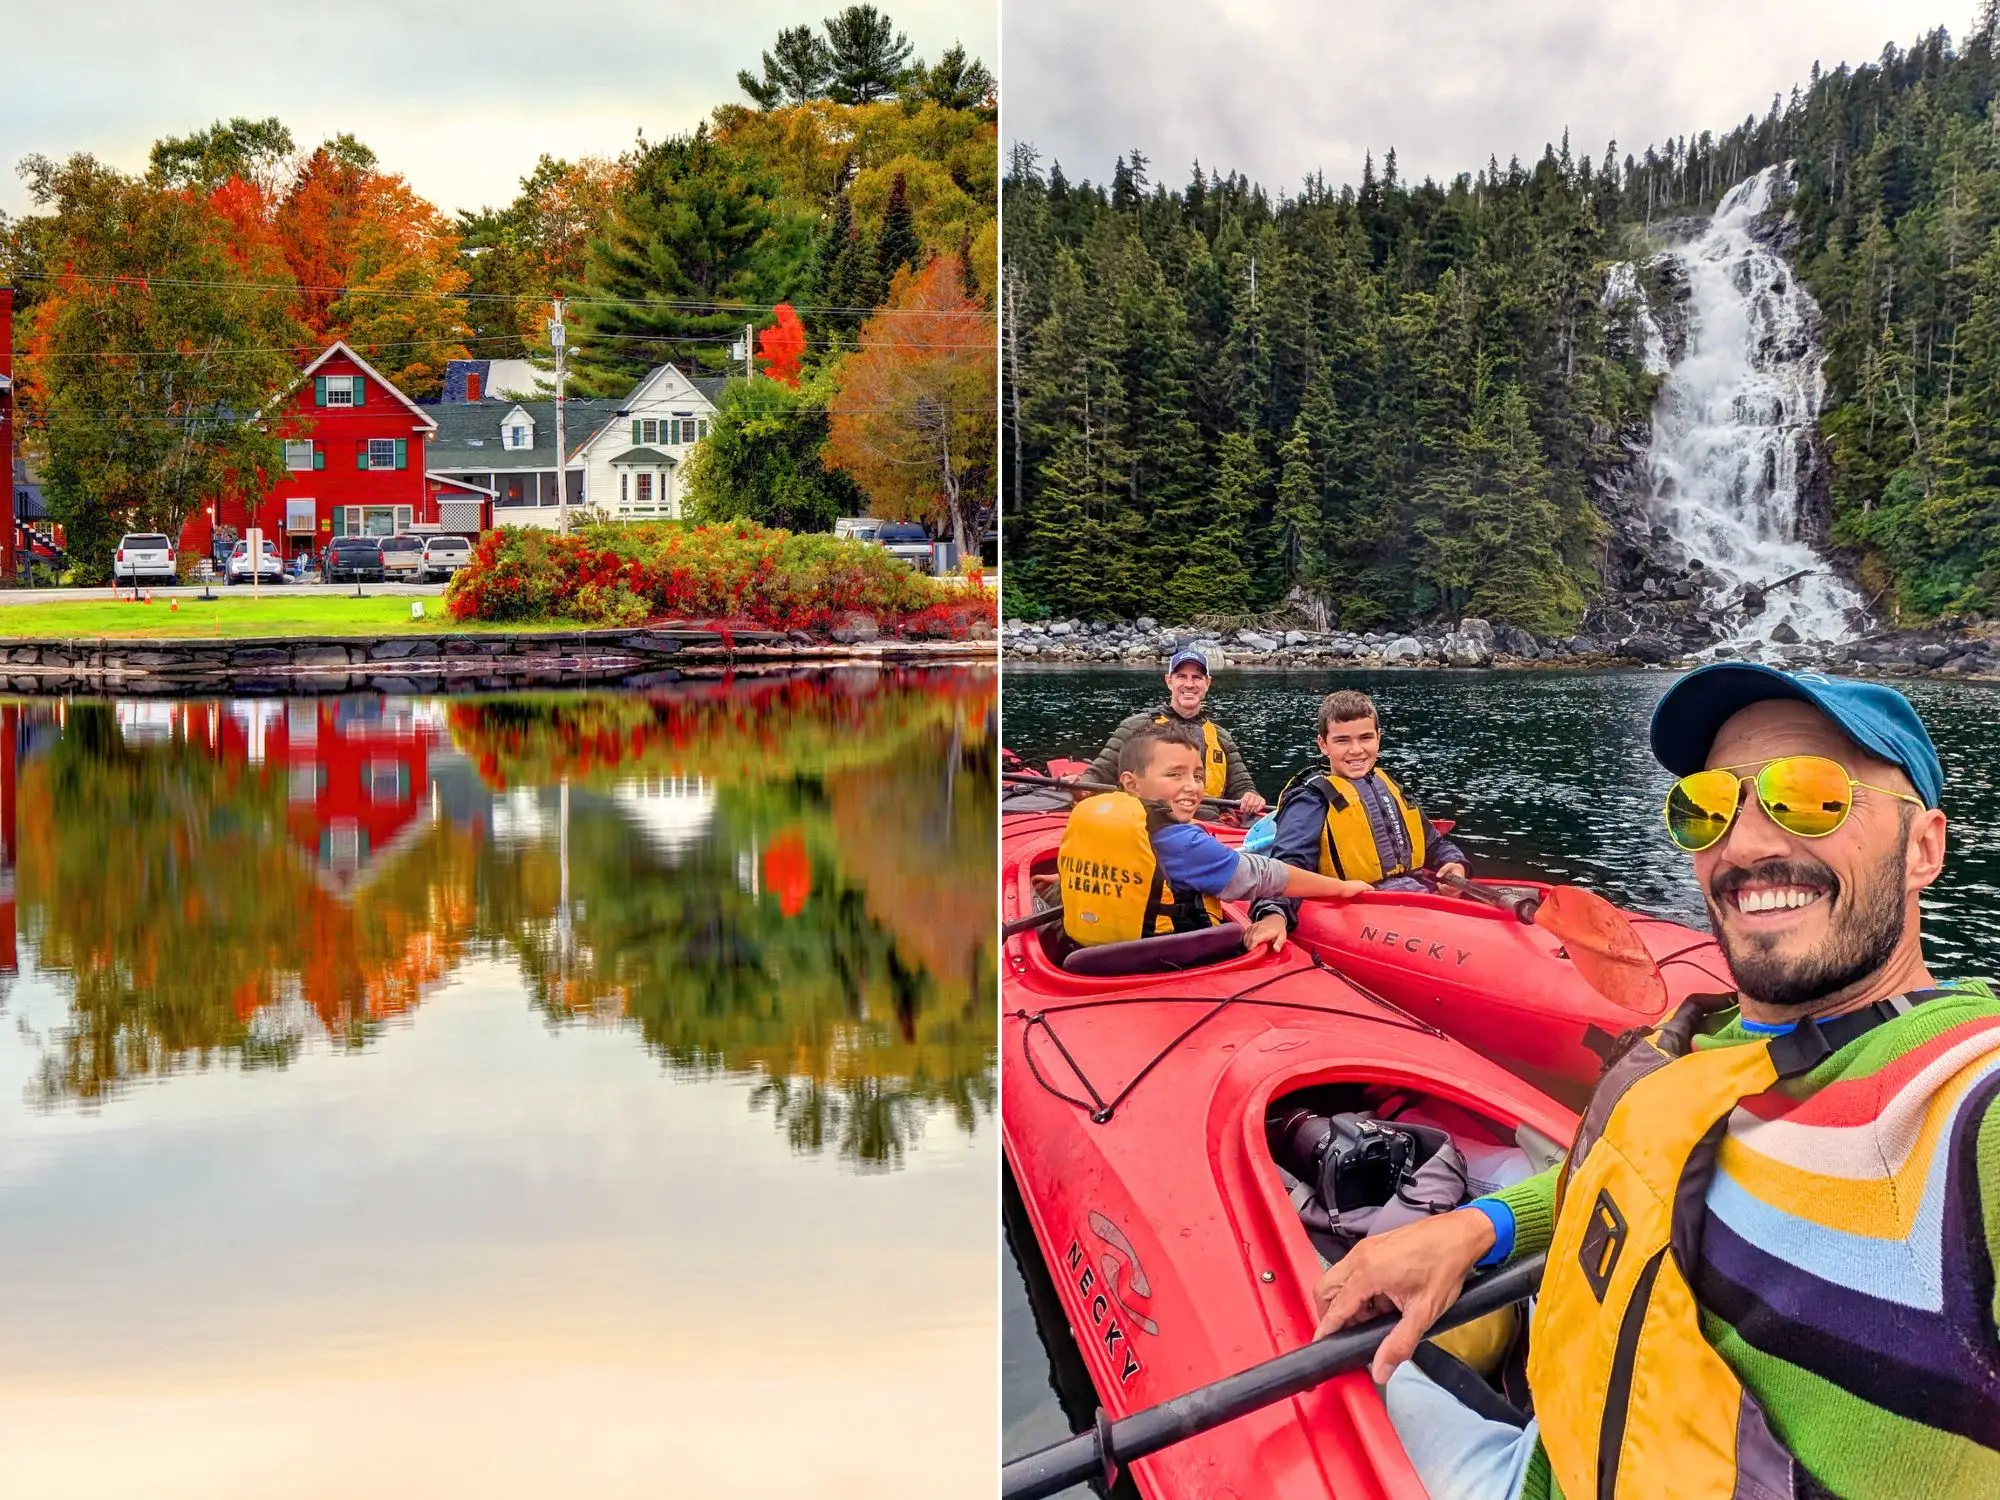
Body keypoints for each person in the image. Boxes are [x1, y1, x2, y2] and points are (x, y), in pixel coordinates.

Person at [1309, 663, 2000, 1500]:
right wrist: (1478, 1229)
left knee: (1327, 1377)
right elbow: (1636, 1167)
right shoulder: (1711, 1045)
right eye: (1707, 808)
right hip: (1555, 1446)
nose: (1743, 847)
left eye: (1813, 797)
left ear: (1924, 847)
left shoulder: (1962, 1098)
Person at [1059, 719, 1367, 952]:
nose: (1192, 786)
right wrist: (1340, 888)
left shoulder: (1107, 823)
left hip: (1091, 954)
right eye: (1174, 775)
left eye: (1197, 775)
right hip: (1169, 960)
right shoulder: (1183, 844)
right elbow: (1264, 876)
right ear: (1131, 783)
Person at [1255, 691, 1468, 929]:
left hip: (1416, 897)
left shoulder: (1392, 786)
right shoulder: (1312, 800)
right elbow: (1287, 869)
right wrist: (1273, 914)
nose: (1356, 750)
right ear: (1323, 744)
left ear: (1379, 738)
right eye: (1342, 740)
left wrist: (1455, 862)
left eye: (1365, 738)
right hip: (1360, 910)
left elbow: (1433, 843)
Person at [1076, 649, 1268, 817]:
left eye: (1197, 678)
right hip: (1152, 820)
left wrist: (1251, 797)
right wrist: (1082, 787)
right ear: (1169, 681)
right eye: (1182, 677)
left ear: (1207, 683)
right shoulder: (1135, 726)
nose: (1189, 684)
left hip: (1209, 826)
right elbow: (1099, 773)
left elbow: (1243, 788)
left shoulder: (1221, 737)